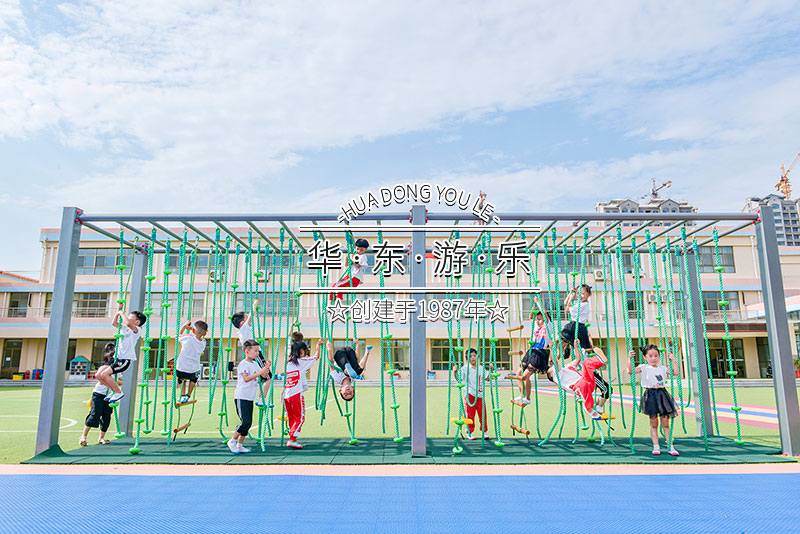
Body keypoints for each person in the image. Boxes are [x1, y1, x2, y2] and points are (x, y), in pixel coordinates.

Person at [628, 344, 680, 456]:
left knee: (665, 423)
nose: (653, 358)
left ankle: (670, 447)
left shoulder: (662, 368)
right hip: (650, 395)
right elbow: (630, 371)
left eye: (656, 356)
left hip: (662, 395)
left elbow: (676, 373)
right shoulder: (643, 367)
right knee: (654, 423)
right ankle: (656, 446)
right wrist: (630, 358)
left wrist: (674, 360)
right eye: (650, 356)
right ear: (645, 357)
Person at [546, 340, 610, 420]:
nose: (553, 367)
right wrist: (551, 349)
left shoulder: (567, 368)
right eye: (551, 369)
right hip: (578, 386)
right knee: (584, 389)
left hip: (587, 381)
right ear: (551, 375)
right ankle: (588, 408)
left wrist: (576, 346)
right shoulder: (557, 378)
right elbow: (555, 362)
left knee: (586, 363)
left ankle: (601, 360)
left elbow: (578, 359)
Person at [227, 340, 271, 454]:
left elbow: (264, 375)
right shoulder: (243, 364)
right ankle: (232, 441)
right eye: (255, 351)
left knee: (248, 423)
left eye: (258, 351)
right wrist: (259, 373)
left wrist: (266, 368)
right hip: (241, 396)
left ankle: (240, 445)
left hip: (249, 397)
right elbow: (246, 379)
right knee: (245, 421)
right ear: (247, 351)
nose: (257, 353)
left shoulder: (255, 364)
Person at [95, 305, 146, 403]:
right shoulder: (124, 328)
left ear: (137, 322)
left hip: (124, 359)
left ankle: (118, 391)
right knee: (99, 375)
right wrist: (117, 312)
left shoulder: (137, 330)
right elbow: (114, 323)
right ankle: (113, 391)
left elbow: (127, 323)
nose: (127, 318)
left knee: (105, 374)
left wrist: (122, 313)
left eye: (130, 317)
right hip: (116, 358)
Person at [283, 339, 323, 449]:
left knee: (292, 418)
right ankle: (292, 439)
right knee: (300, 418)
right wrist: (318, 344)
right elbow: (316, 356)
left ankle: (292, 438)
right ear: (301, 351)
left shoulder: (289, 362)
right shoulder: (302, 361)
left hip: (286, 395)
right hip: (295, 394)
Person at [231, 302, 270, 406]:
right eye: (246, 317)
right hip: (256, 354)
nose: (248, 318)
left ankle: (261, 398)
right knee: (268, 377)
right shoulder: (244, 329)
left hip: (255, 354)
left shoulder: (244, 331)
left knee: (265, 376)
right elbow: (251, 316)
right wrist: (254, 306)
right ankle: (261, 398)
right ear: (242, 323)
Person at [80, 343, 117, 446]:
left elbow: (120, 381)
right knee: (95, 415)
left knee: (106, 416)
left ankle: (101, 438)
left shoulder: (116, 369)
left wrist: (115, 381)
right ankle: (83, 437)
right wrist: (109, 379)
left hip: (109, 396)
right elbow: (100, 379)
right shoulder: (104, 367)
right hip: (99, 394)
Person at [515, 295, 550, 405]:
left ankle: (528, 398)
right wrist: (533, 309)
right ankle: (522, 395)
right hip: (531, 351)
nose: (538, 321)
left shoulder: (547, 326)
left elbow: (544, 314)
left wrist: (538, 302)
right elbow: (531, 317)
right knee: (518, 373)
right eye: (537, 319)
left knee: (525, 376)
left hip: (539, 352)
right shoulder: (536, 326)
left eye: (540, 319)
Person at [453, 348, 492, 440]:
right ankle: (469, 432)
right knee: (470, 415)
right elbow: (459, 379)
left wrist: (491, 370)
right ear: (467, 358)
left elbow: (488, 378)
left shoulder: (481, 368)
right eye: (470, 356)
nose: (473, 358)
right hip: (469, 394)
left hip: (480, 395)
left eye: (474, 356)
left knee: (483, 414)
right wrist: (454, 371)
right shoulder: (464, 369)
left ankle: (484, 431)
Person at [175, 319, 208, 404]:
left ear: (193, 330)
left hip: (181, 368)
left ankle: (182, 395)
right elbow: (198, 335)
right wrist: (192, 329)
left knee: (181, 379)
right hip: (193, 370)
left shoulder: (188, 338)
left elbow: (177, 336)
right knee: (193, 379)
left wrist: (184, 327)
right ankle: (188, 395)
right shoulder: (203, 342)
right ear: (205, 334)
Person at [560, 284, 593, 359]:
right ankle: (564, 352)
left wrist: (571, 299)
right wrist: (570, 294)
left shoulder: (583, 305)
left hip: (578, 326)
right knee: (562, 341)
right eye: (578, 293)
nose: (580, 296)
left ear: (589, 294)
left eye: (583, 293)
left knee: (578, 348)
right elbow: (565, 303)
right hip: (575, 325)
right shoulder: (579, 303)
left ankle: (565, 351)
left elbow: (567, 309)